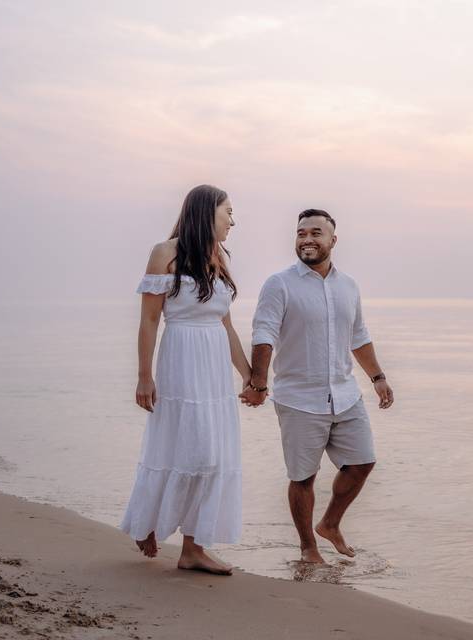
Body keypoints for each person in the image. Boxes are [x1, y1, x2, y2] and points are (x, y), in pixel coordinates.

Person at [241, 209, 394, 564]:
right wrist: (259, 383)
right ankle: (308, 547)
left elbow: (358, 336)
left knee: (362, 462)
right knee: (303, 477)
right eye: (300, 233)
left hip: (345, 394)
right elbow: (264, 333)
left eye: (315, 233)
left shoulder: (348, 286)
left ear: (333, 241)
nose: (307, 239)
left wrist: (378, 378)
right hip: (299, 398)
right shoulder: (279, 284)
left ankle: (330, 524)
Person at [119, 184, 251, 576]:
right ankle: (149, 525)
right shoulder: (165, 252)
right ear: (206, 211)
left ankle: (193, 547)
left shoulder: (219, 258)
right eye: (228, 211)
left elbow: (225, 324)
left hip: (213, 369)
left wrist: (250, 377)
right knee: (185, 448)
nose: (233, 220)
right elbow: (148, 320)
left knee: (212, 455)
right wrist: (144, 377)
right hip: (181, 362)